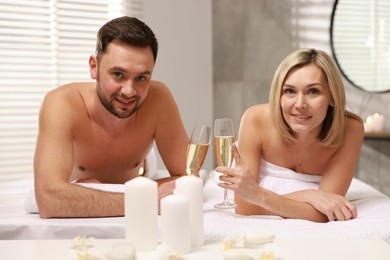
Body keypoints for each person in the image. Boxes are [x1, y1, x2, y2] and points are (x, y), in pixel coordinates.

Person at [34, 16, 189, 218]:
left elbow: (190, 178)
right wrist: (143, 201)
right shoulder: (61, 103)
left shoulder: (158, 98)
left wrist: (104, 194)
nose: (129, 91)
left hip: (137, 183)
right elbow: (49, 200)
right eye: (118, 74)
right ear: (93, 67)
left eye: (141, 78)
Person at [217, 48, 364, 222]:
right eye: (290, 91)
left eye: (313, 91)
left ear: (332, 97)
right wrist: (309, 195)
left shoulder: (350, 129)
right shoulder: (255, 119)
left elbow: (326, 212)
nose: (300, 104)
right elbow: (244, 206)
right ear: (278, 96)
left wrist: (258, 195)